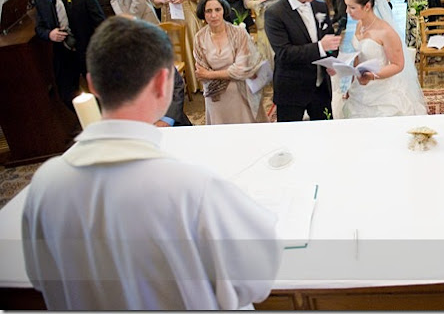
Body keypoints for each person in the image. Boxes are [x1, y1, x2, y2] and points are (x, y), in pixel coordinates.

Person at [22, 16, 279, 309]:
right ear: (162, 82)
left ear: (92, 85)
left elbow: (41, 279)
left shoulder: (44, 183)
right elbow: (255, 281)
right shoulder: (192, 188)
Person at [337, 0, 427, 118]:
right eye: (347, 6)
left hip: (383, 89)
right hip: (361, 88)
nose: (347, 11)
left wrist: (372, 76)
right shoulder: (359, 25)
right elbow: (358, 59)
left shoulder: (386, 32)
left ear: (367, 6)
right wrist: (352, 83)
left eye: (352, 7)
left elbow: (398, 65)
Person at [264, 0, 341, 122]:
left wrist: (332, 60)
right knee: (291, 138)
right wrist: (320, 47)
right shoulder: (274, 13)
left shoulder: (320, 6)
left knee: (325, 133)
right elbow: (284, 53)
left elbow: (330, 40)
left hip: (320, 88)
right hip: (292, 89)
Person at [32, 0, 106, 107]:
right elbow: (39, 28)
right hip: (63, 54)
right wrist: (49, 34)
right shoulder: (40, 1)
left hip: (87, 50)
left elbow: (101, 22)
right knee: (66, 94)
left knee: (101, 90)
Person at [194, 0, 265, 124]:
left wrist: (210, 74)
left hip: (240, 94)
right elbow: (201, 72)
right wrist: (214, 75)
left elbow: (242, 70)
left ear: (224, 10)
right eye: (208, 11)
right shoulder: (199, 38)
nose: (214, 15)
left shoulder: (239, 33)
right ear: (203, 14)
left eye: (217, 10)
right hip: (215, 96)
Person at [149, 0, 203, 93]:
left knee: (192, 47)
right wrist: (164, 0)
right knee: (178, 51)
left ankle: (200, 82)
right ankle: (186, 85)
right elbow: (154, 0)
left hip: (188, 16)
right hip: (170, 18)